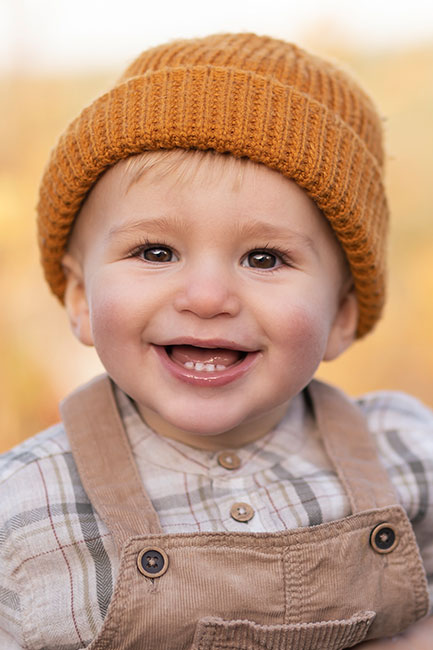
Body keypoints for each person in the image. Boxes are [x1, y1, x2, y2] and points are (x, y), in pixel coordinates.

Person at [1, 33, 432, 650]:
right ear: (78, 299)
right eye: (155, 251)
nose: (206, 297)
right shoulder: (26, 504)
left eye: (264, 257)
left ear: (341, 314)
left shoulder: (405, 452)